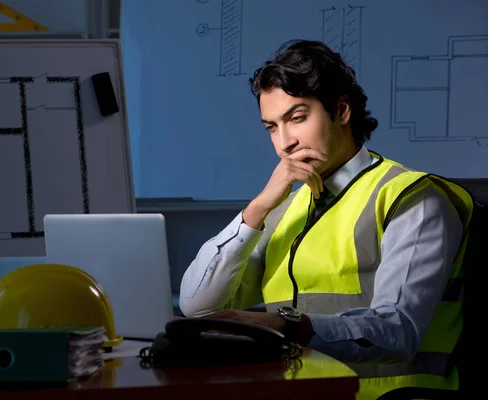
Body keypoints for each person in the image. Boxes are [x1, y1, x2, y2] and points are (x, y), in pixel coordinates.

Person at [179, 40, 474, 399]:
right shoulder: (284, 209)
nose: (284, 142)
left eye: (297, 118)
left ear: (342, 110)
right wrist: (256, 209)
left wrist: (286, 326)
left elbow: (397, 332)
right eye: (272, 127)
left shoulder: (411, 198)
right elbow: (198, 307)